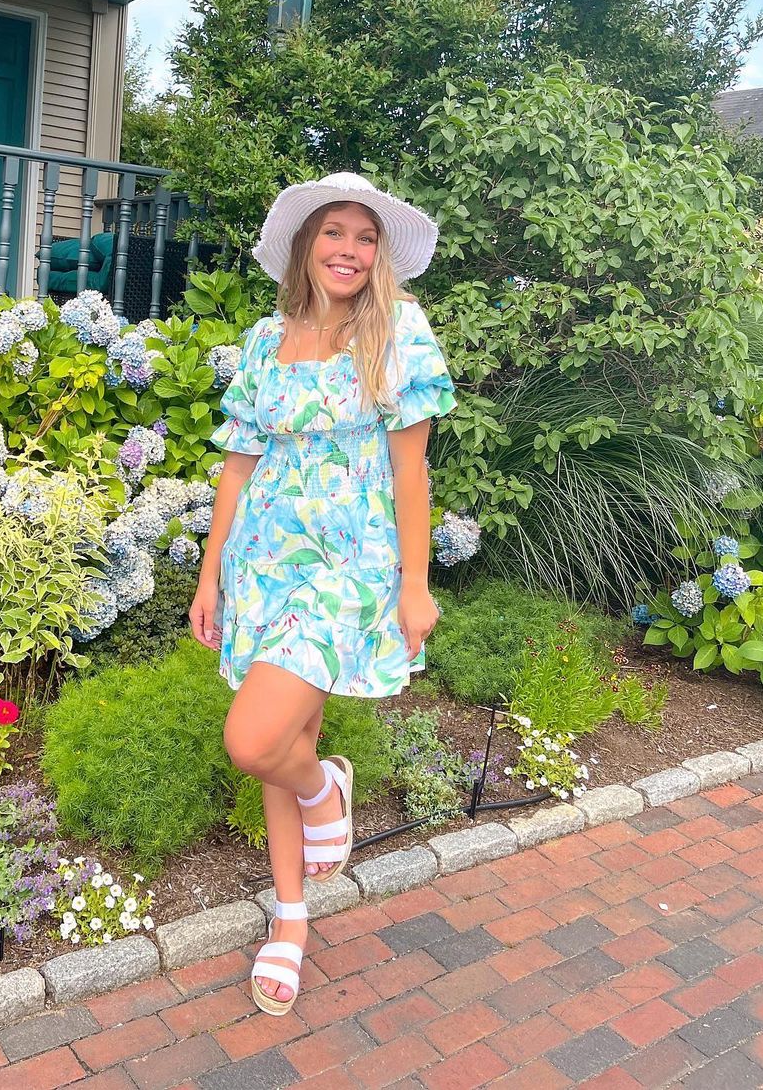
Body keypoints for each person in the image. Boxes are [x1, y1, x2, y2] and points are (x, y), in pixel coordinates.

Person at [189, 171, 456, 1016]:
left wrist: (416, 585)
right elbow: (239, 466)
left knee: (254, 740)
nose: (350, 250)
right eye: (335, 233)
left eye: (365, 237)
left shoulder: (397, 330)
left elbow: (410, 475)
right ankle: (291, 920)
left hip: (349, 566)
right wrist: (210, 572)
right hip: (264, 562)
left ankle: (322, 792)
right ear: (306, 246)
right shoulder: (265, 340)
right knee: (284, 736)